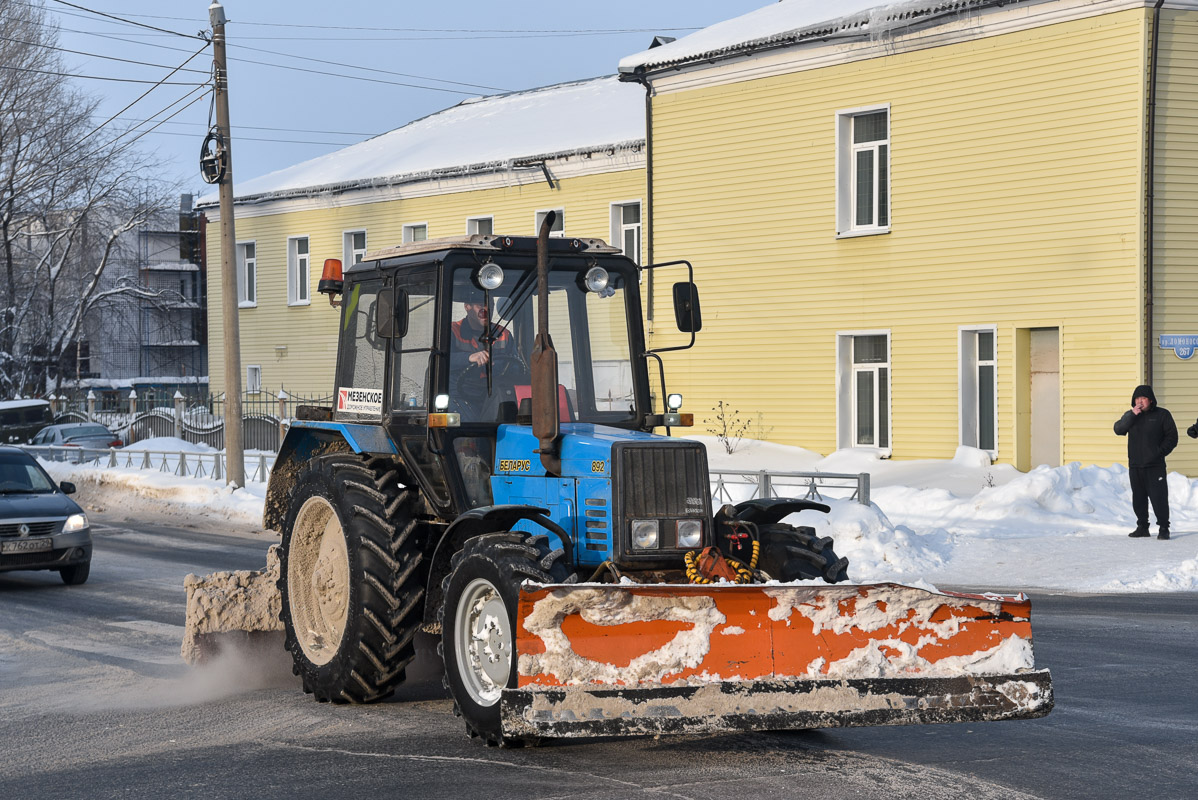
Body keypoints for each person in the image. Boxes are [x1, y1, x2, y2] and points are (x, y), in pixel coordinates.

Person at [1113, 385, 1177, 540]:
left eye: (1143, 398)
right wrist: (1131, 415)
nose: (1140, 401)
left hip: (1155, 466)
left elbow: (1172, 437)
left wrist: (1158, 453)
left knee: (1158, 497)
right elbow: (1118, 429)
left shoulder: (1162, 415)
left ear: (1150, 400)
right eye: (1137, 398)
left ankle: (1163, 527)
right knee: (1139, 498)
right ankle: (1142, 527)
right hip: (1135, 465)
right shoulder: (1131, 416)